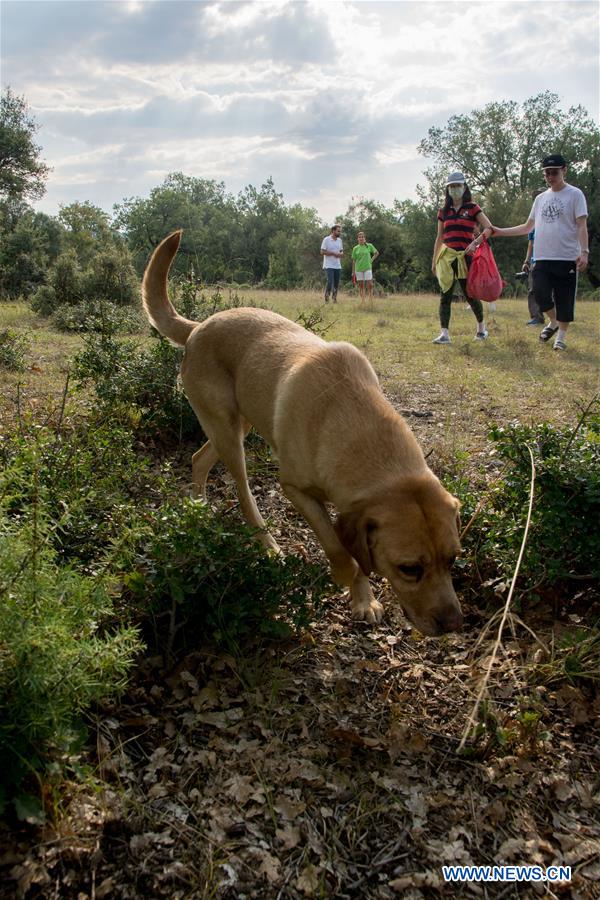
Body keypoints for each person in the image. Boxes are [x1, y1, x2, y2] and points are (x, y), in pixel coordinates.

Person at [483, 154, 589, 351]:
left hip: (566, 257)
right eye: (547, 173)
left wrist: (584, 252)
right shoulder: (540, 199)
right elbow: (527, 227)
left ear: (564, 170)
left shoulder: (575, 194)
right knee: (539, 293)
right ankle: (553, 321)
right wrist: (499, 231)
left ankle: (561, 337)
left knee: (564, 298)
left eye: (554, 172)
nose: (550, 177)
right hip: (541, 257)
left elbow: (582, 225)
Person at [431, 172, 493, 344]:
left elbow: (489, 228)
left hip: (467, 257)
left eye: (458, 186)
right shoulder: (443, 211)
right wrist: (434, 260)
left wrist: (475, 243)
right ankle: (444, 334)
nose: (455, 189)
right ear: (447, 189)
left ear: (464, 187)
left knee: (470, 294)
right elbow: (439, 237)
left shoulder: (472, 208)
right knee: (445, 296)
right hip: (447, 258)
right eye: (451, 186)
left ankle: (481, 329)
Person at [522, 230, 545, 325]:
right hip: (535, 261)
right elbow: (530, 244)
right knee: (533, 290)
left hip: (551, 260)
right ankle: (537, 317)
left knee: (553, 290)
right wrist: (526, 262)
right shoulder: (533, 227)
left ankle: (558, 318)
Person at [351, 232, 379, 303]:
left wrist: (371, 260)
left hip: (368, 268)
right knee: (361, 285)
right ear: (357, 239)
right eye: (359, 237)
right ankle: (363, 301)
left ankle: (371, 299)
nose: (361, 238)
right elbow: (354, 261)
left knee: (370, 284)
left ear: (364, 238)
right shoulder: (355, 248)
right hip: (358, 269)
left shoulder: (369, 246)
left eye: (362, 237)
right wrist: (353, 272)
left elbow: (376, 253)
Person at [320, 224, 343, 303]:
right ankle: (327, 297)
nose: (339, 233)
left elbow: (341, 251)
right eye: (338, 231)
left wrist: (341, 254)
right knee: (330, 281)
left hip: (337, 265)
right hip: (328, 265)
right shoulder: (326, 239)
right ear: (333, 231)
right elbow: (322, 251)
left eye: (340, 231)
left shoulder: (340, 241)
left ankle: (334, 298)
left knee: (336, 283)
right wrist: (333, 253)